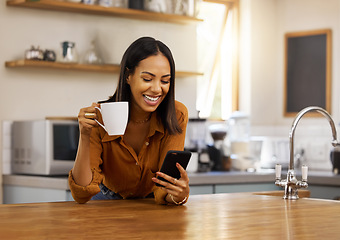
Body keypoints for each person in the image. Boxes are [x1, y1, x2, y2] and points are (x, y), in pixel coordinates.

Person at [68, 36, 190, 205]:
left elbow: (166, 189)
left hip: (152, 205)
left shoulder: (176, 115)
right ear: (128, 76)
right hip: (107, 202)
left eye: (165, 81)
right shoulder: (100, 116)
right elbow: (81, 193)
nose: (156, 89)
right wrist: (84, 135)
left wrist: (178, 195)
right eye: (147, 79)